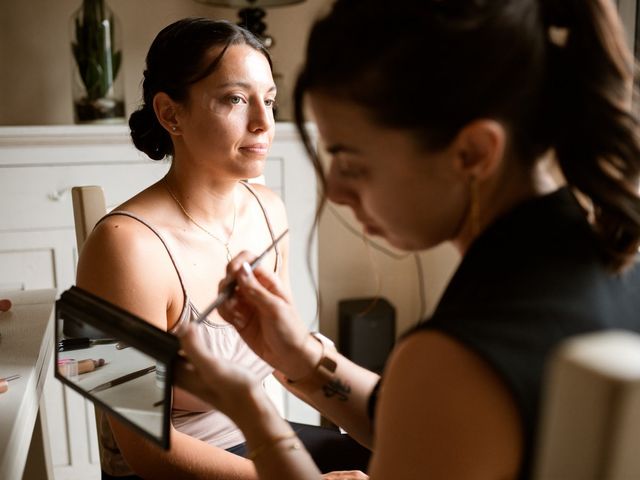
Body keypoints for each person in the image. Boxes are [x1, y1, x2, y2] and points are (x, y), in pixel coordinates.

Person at [173, 1, 640, 479]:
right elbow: (435, 428)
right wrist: (304, 360)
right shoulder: (613, 257)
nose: (334, 189)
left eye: (351, 161)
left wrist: (254, 415)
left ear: (473, 153)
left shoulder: (454, 358)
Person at [76, 17, 369, 480]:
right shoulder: (116, 247)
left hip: (262, 439)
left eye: (269, 101)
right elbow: (142, 451)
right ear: (171, 114)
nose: (263, 122)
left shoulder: (270, 211)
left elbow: (284, 359)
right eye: (235, 99)